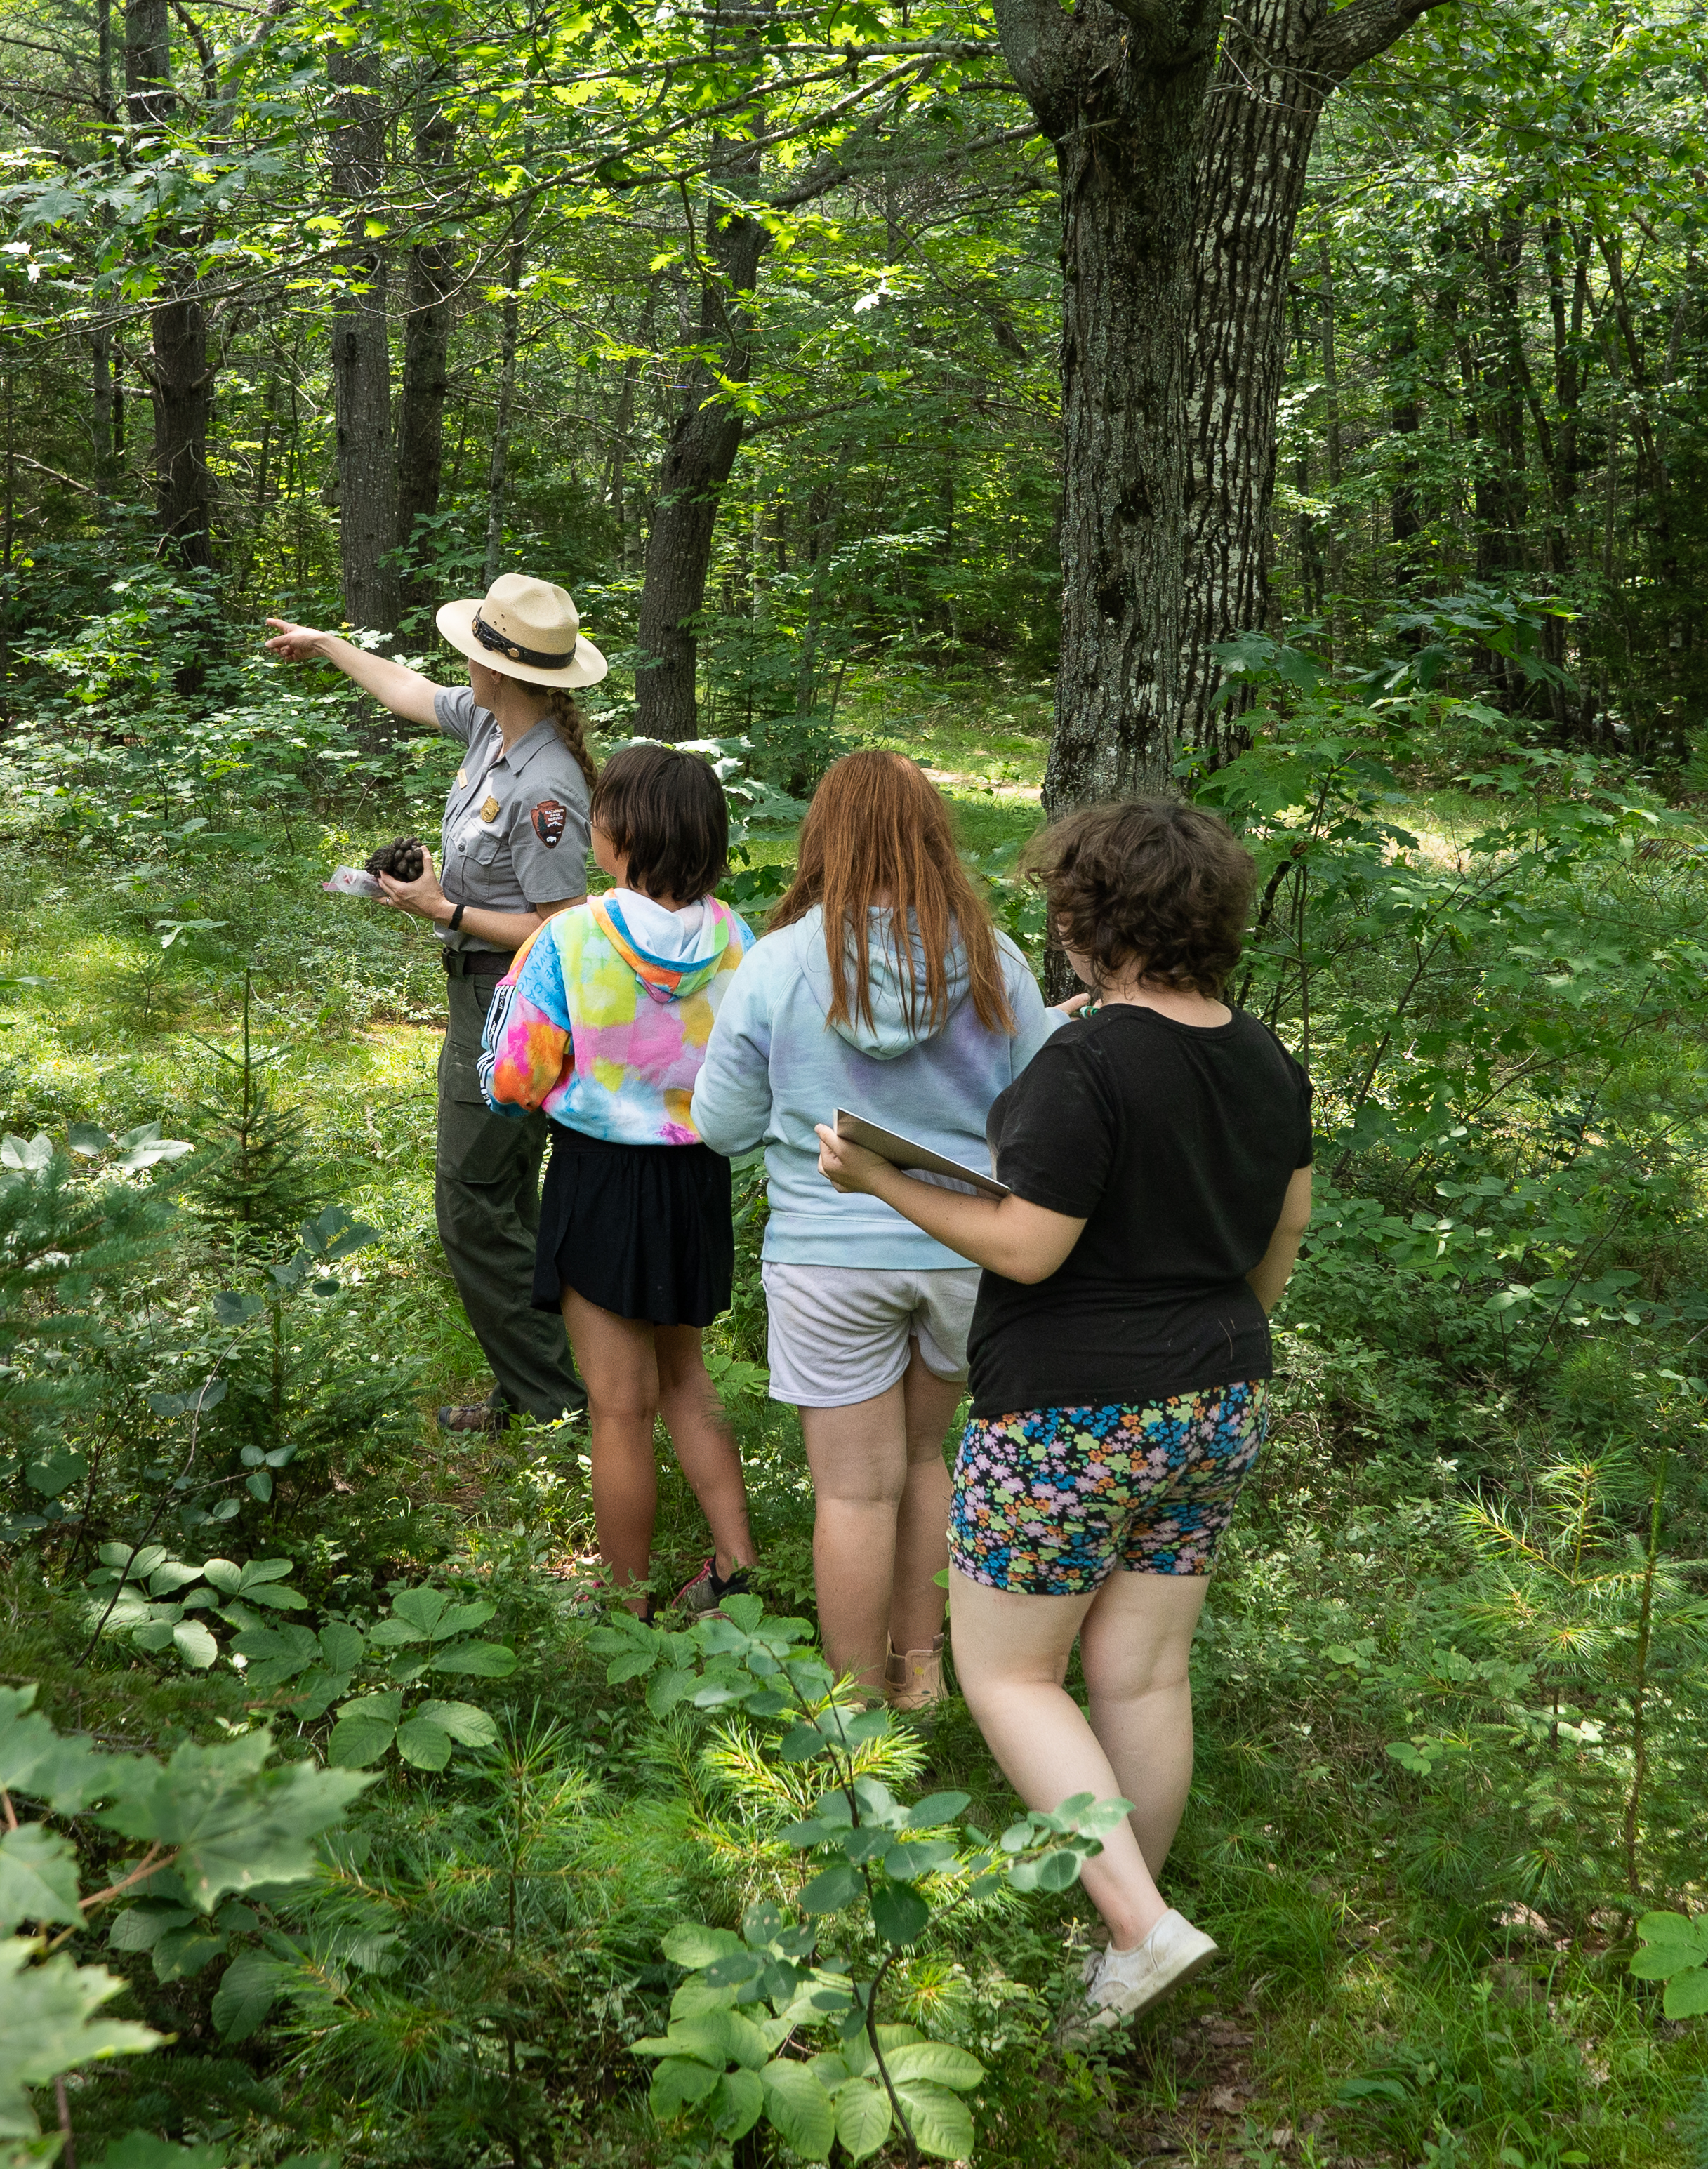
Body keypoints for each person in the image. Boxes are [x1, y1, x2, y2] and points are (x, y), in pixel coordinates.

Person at [813, 799, 1313, 2034]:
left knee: (1006, 1673)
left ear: (1091, 920)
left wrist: (879, 1174)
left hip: (1073, 1412)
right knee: (1141, 1673)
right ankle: (1129, 1931)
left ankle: (1138, 1929)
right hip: (1220, 1389)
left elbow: (1029, 1247)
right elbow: (1279, 1238)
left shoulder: (1084, 1064)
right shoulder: (1264, 1057)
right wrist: (1201, 1327)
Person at [691, 752, 1050, 1708]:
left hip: (827, 1255)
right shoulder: (994, 961)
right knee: (927, 1458)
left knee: (854, 1492)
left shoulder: (775, 965)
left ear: (823, 839)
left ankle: (849, 1706)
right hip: (964, 1249)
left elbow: (720, 1128)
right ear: (936, 834)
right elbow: (1054, 1109)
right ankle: (920, 1671)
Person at [263, 575, 599, 1433]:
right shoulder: (496, 724)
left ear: (504, 670)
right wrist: (329, 644)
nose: (462, 664)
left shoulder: (547, 787)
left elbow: (558, 931)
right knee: (505, 1196)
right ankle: (536, 1384)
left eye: (476, 652)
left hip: (511, 1001)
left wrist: (442, 908)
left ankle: (558, 1402)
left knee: (471, 1203)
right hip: (479, 991)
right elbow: (407, 690)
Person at [479, 743, 762, 1619]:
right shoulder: (736, 939)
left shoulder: (568, 936)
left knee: (618, 1406)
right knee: (686, 1376)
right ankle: (735, 1566)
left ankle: (626, 1602)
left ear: (622, 831)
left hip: (601, 1179)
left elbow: (516, 1078)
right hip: (696, 1179)